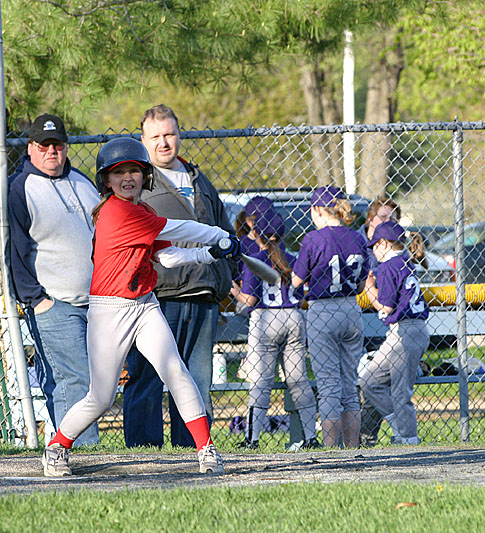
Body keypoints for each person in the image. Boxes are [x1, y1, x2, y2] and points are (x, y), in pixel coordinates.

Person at [41, 137, 241, 476]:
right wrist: (216, 235)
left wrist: (210, 253)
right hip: (109, 310)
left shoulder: (143, 211)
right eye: (119, 173)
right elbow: (179, 228)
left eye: (134, 170)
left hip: (144, 304)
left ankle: (206, 449)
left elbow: (168, 255)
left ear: (145, 175)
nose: (128, 177)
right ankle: (58, 446)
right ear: (106, 180)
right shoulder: (116, 212)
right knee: (101, 398)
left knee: (176, 371)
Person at [122, 104, 236, 449]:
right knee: (148, 376)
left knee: (196, 380)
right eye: (155, 136)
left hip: (202, 296)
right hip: (158, 297)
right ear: (143, 140)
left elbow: (223, 231)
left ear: (179, 135)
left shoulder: (200, 180)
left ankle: (194, 447)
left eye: (169, 134)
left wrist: (225, 279)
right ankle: (144, 450)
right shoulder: (139, 184)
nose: (164, 143)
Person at [8, 113, 101, 446]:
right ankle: (79, 453)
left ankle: (74, 450)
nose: (51, 151)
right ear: (32, 148)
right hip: (55, 302)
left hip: (97, 302)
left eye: (57, 145)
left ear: (65, 147)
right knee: (72, 380)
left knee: (94, 383)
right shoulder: (19, 188)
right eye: (44, 145)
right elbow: (14, 250)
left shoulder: (82, 182)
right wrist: (37, 300)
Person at [230, 202, 320, 450]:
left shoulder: (255, 259)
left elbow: (249, 299)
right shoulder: (291, 257)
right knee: (298, 379)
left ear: (255, 233)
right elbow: (302, 294)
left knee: (261, 381)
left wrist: (233, 289)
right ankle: (311, 437)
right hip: (293, 317)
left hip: (265, 320)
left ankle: (252, 439)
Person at [292, 185, 368, 448]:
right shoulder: (357, 238)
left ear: (318, 210)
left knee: (328, 386)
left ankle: (329, 450)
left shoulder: (314, 239)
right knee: (349, 383)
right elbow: (360, 286)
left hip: (322, 310)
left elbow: (297, 279)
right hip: (351, 309)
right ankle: (353, 449)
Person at [358, 195, 427, 446]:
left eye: (376, 245)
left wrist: (369, 291)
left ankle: (407, 437)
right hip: (407, 331)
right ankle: (401, 428)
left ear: (385, 244)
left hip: (405, 332)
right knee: (370, 382)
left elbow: (385, 307)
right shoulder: (406, 262)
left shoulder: (388, 266)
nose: (374, 250)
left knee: (400, 390)